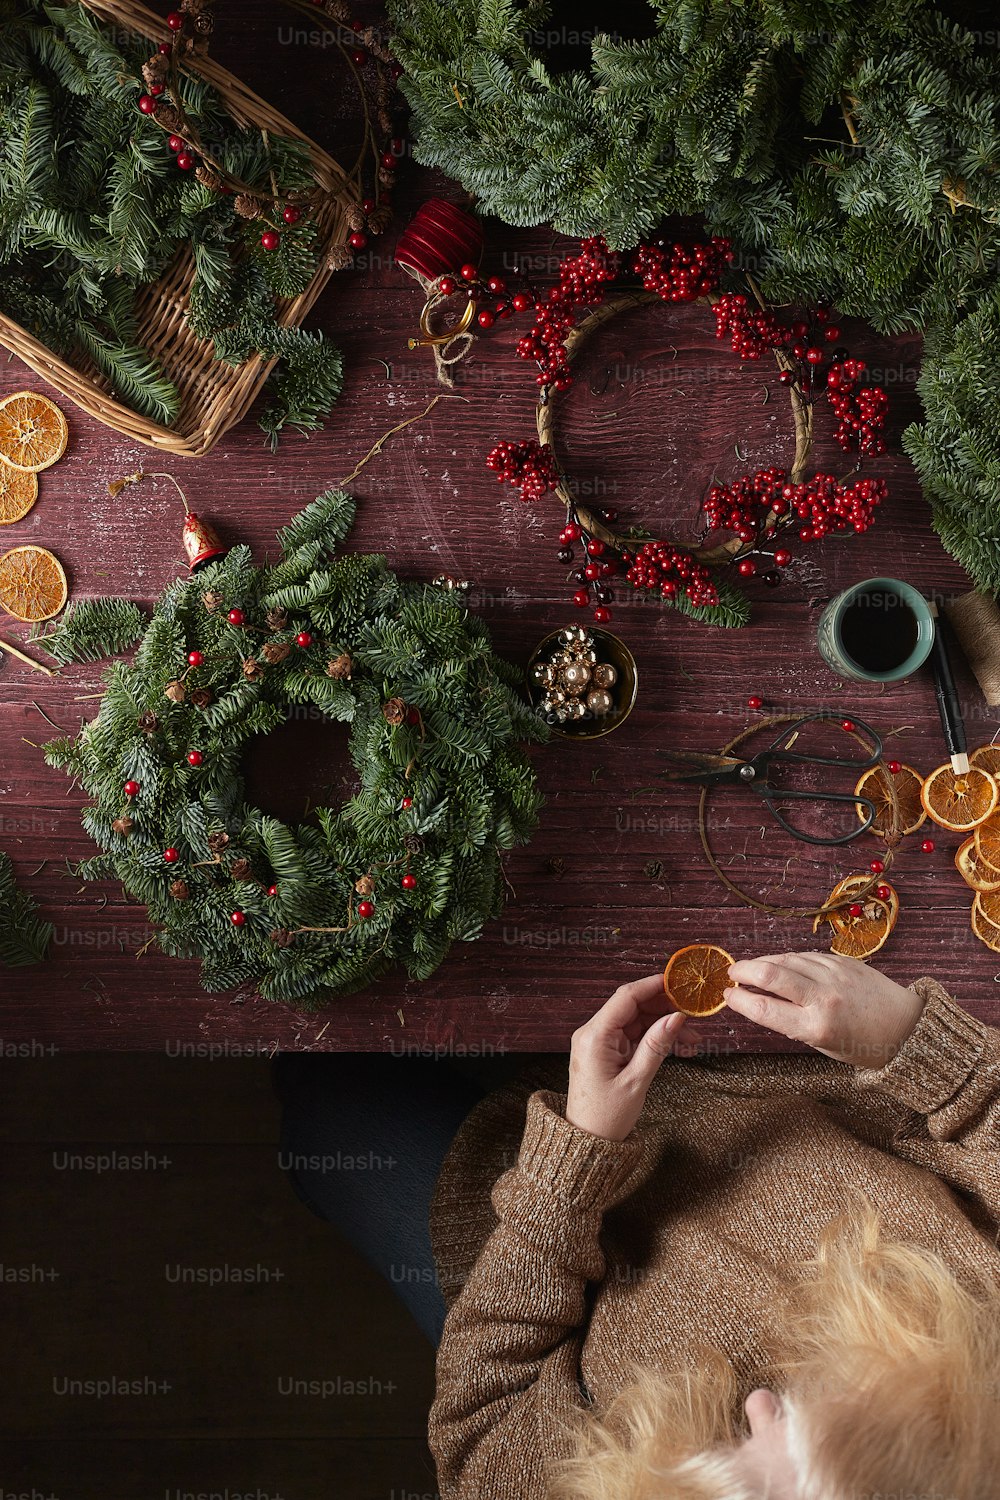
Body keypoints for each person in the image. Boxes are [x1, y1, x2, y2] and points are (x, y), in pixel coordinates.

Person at [276, 953, 1000, 1498]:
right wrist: (915, 1041)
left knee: (324, 1098)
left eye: (735, 1448)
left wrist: (572, 1162)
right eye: (811, 1426)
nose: (756, 1402)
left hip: (537, 1204)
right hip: (800, 1076)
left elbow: (485, 1420)